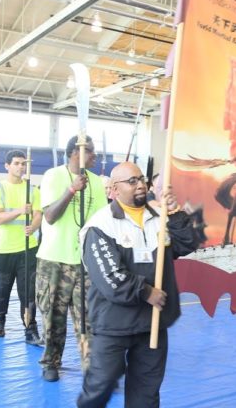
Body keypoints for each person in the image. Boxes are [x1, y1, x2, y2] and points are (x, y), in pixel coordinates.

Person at [77, 162, 198, 408]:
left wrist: (174, 211)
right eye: (132, 181)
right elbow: (110, 277)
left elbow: (188, 244)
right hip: (114, 323)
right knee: (101, 385)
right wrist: (146, 292)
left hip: (151, 323)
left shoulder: (159, 217)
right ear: (113, 189)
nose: (140, 184)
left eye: (141, 179)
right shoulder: (100, 226)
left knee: (146, 392)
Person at [36, 135, 108, 382]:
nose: (95, 156)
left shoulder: (97, 182)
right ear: (75, 153)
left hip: (85, 262)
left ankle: (91, 366)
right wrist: (71, 190)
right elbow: (50, 216)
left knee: (88, 318)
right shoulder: (53, 176)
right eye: (90, 151)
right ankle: (51, 362)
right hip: (54, 259)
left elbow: (100, 220)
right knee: (53, 315)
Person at [0, 150, 43, 345]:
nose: (21, 167)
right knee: (1, 290)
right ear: (7, 166)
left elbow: (38, 214)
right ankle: (0, 322)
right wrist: (20, 210)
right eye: (17, 163)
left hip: (28, 249)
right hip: (3, 250)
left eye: (23, 163)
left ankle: (30, 328)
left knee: (28, 292)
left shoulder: (33, 189)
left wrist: (34, 226)